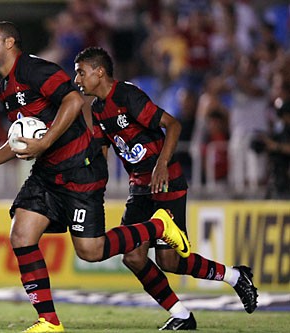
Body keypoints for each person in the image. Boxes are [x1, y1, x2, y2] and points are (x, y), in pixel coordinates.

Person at [0, 21, 191, 333]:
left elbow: (73, 100)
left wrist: (46, 142)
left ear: (9, 43)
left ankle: (159, 226)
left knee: (91, 251)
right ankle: (49, 321)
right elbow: (23, 137)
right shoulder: (4, 89)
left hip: (79, 169)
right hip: (47, 174)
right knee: (21, 236)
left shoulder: (36, 70)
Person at [73, 46, 258, 330]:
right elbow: (103, 149)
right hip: (139, 188)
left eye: (81, 73)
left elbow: (172, 125)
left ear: (99, 72)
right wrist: (90, 178)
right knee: (133, 257)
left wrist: (161, 163)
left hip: (166, 181)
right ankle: (182, 314)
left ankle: (235, 277)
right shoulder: (97, 109)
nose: (77, 80)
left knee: (169, 261)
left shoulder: (127, 95)